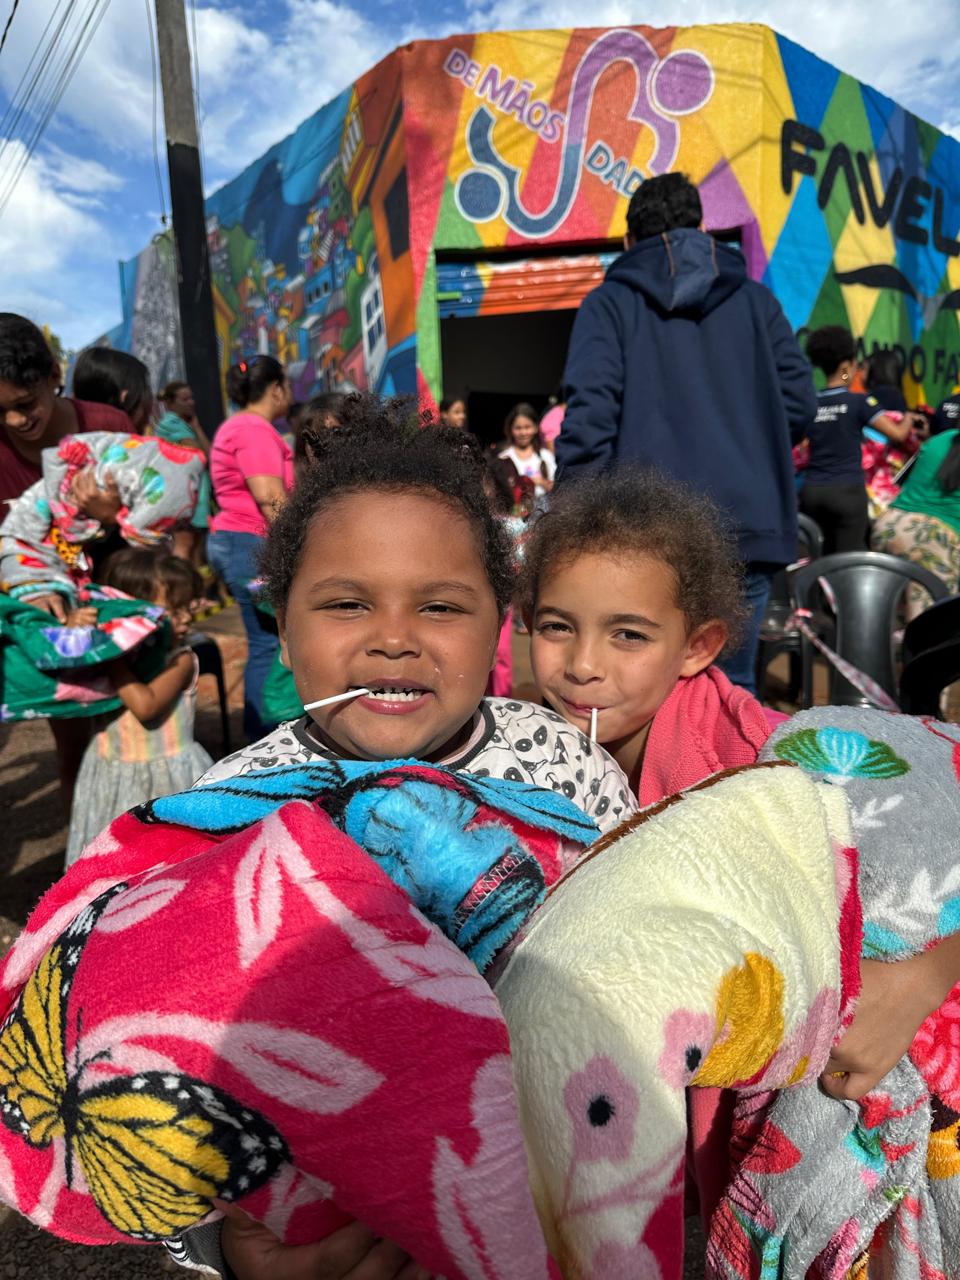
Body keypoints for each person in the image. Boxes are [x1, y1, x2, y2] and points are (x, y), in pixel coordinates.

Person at [170, 394, 633, 1279]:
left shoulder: (565, 768)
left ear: (501, 622)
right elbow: (175, 1065)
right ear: (281, 626)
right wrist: (223, 1246)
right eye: (346, 603)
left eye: (442, 607)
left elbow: (639, 964)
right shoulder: (228, 809)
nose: (393, 639)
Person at [556, 172, 817, 695]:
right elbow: (800, 403)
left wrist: (569, 519)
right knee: (731, 690)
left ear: (629, 240)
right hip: (748, 525)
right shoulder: (757, 301)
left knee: (641, 693)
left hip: (647, 529)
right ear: (701, 229)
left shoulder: (609, 304)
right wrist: (749, 439)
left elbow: (590, 419)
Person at [65, 548, 213, 864]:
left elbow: (145, 706)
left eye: (187, 607)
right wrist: (75, 626)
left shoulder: (180, 659)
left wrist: (109, 656)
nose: (186, 618)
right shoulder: (105, 658)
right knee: (113, 863)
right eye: (173, 610)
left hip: (165, 783)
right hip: (109, 774)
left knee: (163, 863)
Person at [207, 356, 293, 741]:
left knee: (265, 642)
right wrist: (301, 545)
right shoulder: (253, 429)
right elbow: (270, 497)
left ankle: (262, 734)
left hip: (239, 543)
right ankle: (265, 739)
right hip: (250, 544)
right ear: (276, 388)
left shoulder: (238, 426)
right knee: (268, 644)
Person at [0, 313, 130, 509]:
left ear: (54, 375)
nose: (14, 420)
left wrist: (112, 516)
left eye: (26, 404)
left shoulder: (111, 427)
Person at [803, 326, 910, 554]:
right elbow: (898, 435)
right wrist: (909, 418)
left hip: (811, 492)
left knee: (816, 560)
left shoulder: (811, 403)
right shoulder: (858, 402)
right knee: (848, 562)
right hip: (846, 493)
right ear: (846, 366)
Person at [871, 426, 960, 609]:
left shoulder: (940, 439)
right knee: (932, 620)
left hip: (889, 526)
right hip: (934, 540)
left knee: (886, 615)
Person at [152, 381, 213, 564]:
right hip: (185, 499)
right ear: (170, 403)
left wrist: (196, 427)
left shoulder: (184, 425)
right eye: (185, 399)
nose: (191, 403)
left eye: (191, 398)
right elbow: (204, 456)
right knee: (186, 551)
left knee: (195, 552)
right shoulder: (171, 423)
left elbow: (210, 456)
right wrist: (196, 429)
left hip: (194, 498)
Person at [72, 346, 154, 432]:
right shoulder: (130, 437)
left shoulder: (70, 436)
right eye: (146, 391)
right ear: (126, 397)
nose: (151, 407)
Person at [494, 402, 555, 501]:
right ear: (510, 429)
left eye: (527, 427)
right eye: (518, 428)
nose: (523, 433)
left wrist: (542, 483)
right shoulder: (503, 458)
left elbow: (555, 488)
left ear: (536, 428)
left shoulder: (546, 456)